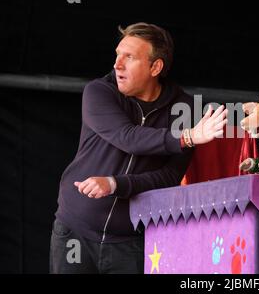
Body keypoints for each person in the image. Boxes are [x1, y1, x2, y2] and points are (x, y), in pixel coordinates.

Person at [50, 22, 227, 273]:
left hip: (131, 241)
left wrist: (115, 184)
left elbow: (168, 177)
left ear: (156, 67)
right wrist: (187, 137)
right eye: (117, 55)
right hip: (75, 232)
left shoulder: (183, 109)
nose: (117, 64)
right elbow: (127, 137)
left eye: (129, 57)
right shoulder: (99, 91)